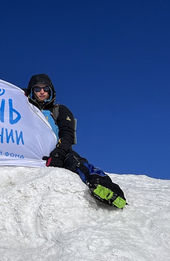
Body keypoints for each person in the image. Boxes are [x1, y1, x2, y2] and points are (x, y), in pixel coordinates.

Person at [25, 73, 126, 209]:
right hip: (31, 151)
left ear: (50, 91)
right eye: (37, 89)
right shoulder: (25, 109)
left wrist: (58, 153)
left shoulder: (60, 110)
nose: (42, 92)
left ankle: (104, 187)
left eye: (45, 89)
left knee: (76, 162)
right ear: (31, 91)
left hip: (58, 152)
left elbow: (67, 135)